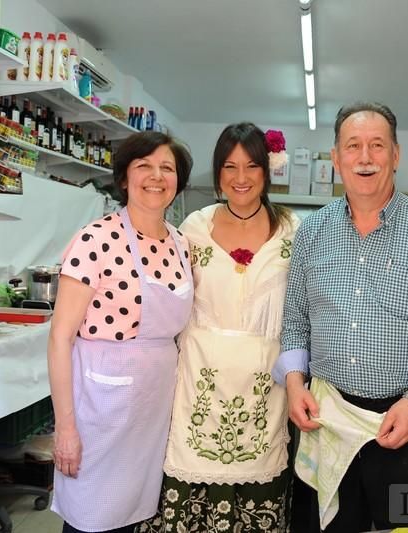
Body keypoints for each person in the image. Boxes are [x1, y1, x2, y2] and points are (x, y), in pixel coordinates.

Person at [273, 102, 408, 533]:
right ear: (336, 158)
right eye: (353, 146)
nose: (365, 157)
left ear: (396, 155)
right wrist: (295, 382)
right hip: (328, 421)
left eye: (377, 145)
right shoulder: (312, 233)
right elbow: (295, 320)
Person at [139, 123, 300, 533]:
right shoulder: (193, 227)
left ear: (268, 170)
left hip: (266, 382)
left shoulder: (294, 231)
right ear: (217, 173)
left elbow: (304, 310)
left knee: (257, 496)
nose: (240, 178)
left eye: (251, 166)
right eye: (229, 167)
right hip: (199, 382)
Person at [48, 131, 194, 533]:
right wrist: (65, 428)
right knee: (91, 518)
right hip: (100, 406)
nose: (156, 176)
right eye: (144, 166)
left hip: (153, 407)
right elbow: (60, 338)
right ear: (125, 178)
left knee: (134, 519)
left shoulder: (182, 245)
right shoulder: (95, 240)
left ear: (178, 181)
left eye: (167, 168)